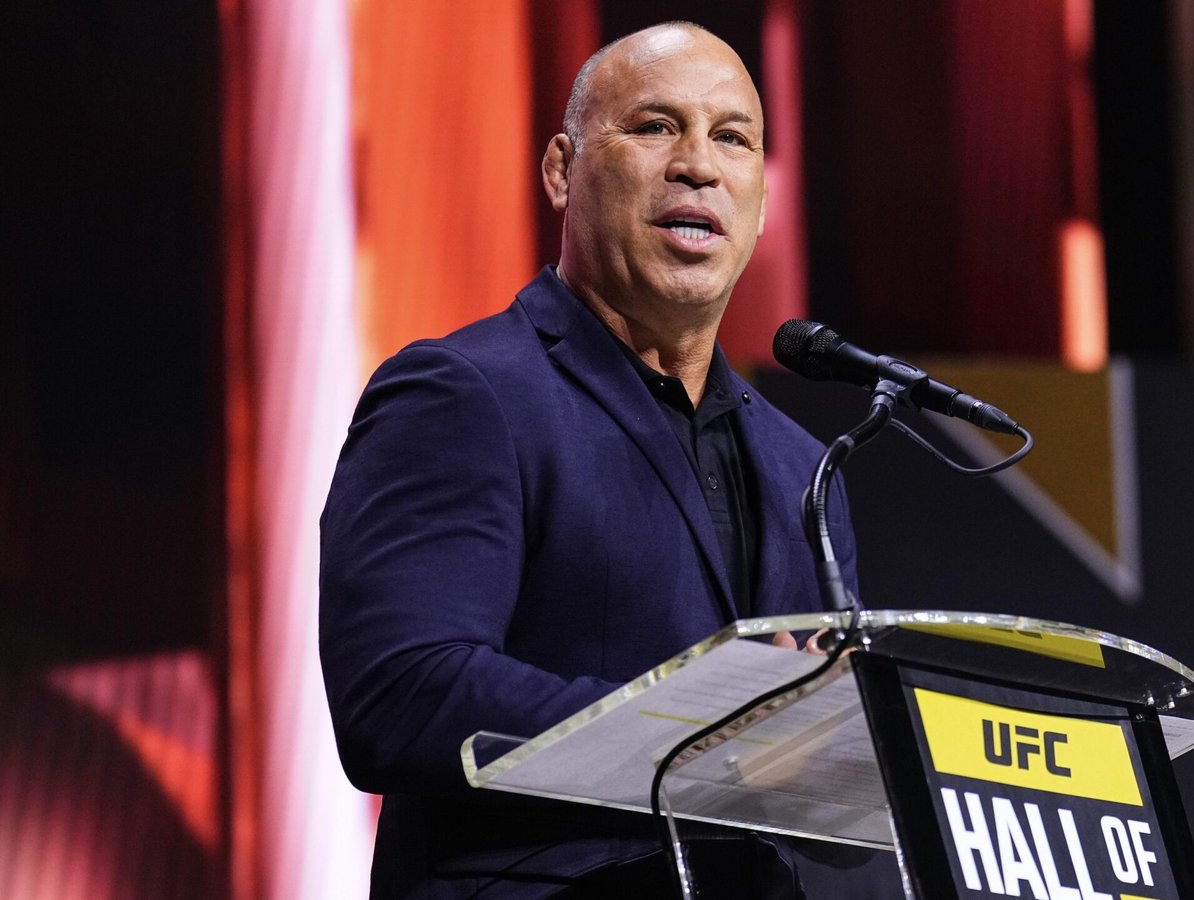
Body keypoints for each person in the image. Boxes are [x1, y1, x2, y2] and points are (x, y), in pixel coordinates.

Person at [319, 21, 858, 899]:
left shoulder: (803, 469)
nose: (698, 164)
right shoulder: (463, 395)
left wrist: (857, 747)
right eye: (655, 126)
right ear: (561, 171)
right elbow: (400, 697)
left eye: (733, 138)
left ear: (760, 203)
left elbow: (820, 801)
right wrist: (703, 739)